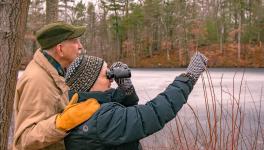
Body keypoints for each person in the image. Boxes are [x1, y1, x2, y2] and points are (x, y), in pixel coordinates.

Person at [63, 52, 208, 150]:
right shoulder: (102, 119)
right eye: (106, 74)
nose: (111, 78)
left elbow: (122, 120)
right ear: (90, 83)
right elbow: (153, 114)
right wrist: (188, 78)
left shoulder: (78, 109)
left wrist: (126, 90)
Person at [13, 22, 100, 150]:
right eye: (75, 41)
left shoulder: (55, 71)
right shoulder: (37, 81)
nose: (80, 46)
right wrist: (62, 123)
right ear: (60, 49)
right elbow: (24, 139)